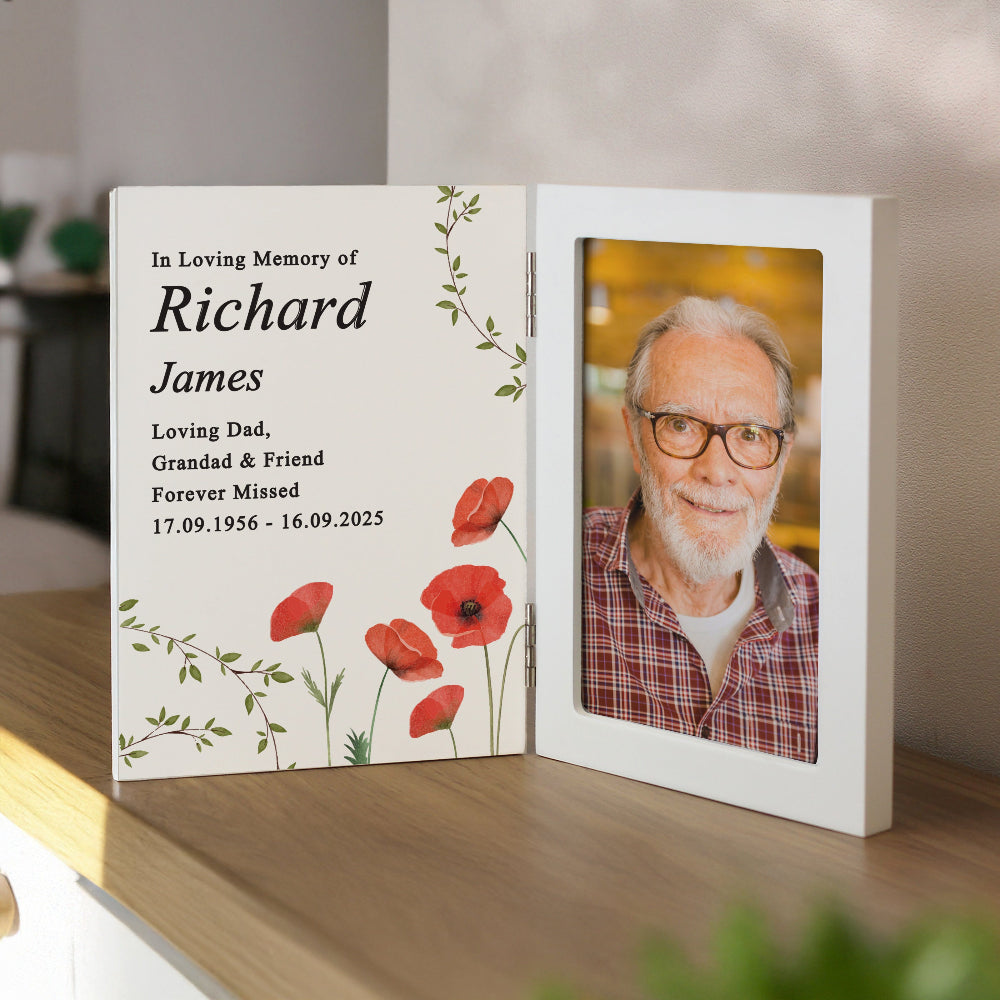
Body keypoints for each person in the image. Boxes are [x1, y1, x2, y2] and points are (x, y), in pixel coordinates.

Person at [582, 296, 818, 763]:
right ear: (633, 437)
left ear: (783, 456)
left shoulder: (825, 623)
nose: (717, 470)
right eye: (681, 424)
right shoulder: (554, 573)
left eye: (751, 434)